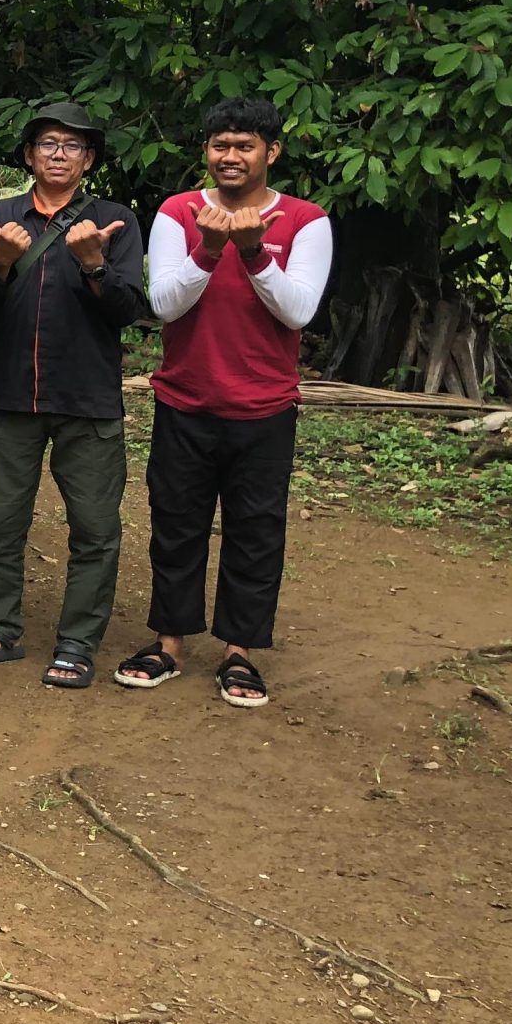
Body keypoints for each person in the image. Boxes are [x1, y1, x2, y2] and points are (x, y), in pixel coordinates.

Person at [115, 96, 331, 708]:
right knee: (176, 526)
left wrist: (256, 250)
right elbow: (164, 305)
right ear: (206, 151)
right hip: (186, 400)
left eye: (244, 146)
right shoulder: (178, 212)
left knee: (255, 532)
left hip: (265, 408)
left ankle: (240, 652)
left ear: (272, 153)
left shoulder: (306, 220)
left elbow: (298, 309)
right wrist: (209, 250)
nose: (230, 157)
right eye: (220, 146)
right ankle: (169, 643)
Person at [0, 103, 150, 689]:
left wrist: (94, 264)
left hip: (86, 398)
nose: (59, 154)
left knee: (94, 526)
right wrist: (2, 263)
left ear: (88, 160)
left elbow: (127, 311)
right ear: (28, 156)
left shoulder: (115, 220)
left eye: (71, 146)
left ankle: (77, 642)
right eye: (47, 144)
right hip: (11, 395)